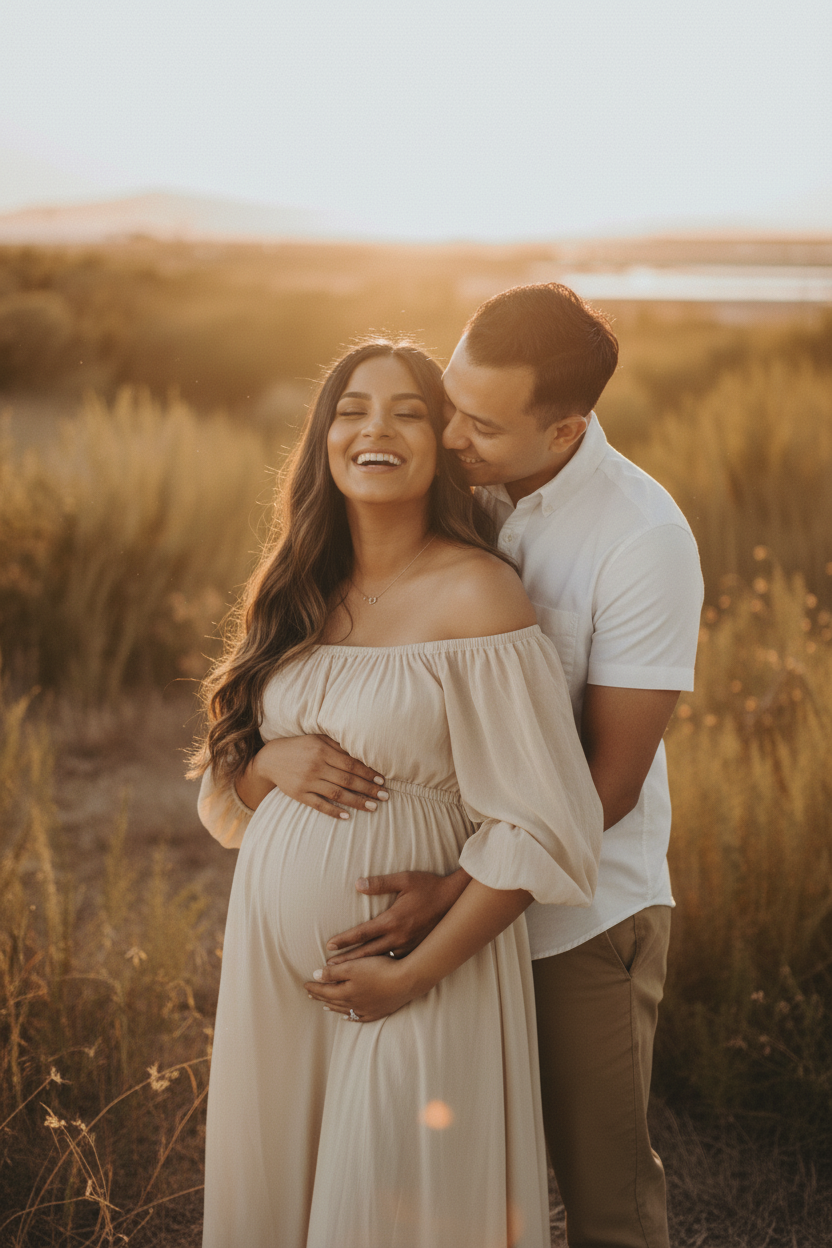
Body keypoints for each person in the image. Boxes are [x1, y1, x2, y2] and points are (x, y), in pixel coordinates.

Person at [290, 287, 705, 1248]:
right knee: (447, 1180)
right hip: (433, 896)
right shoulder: (456, 483)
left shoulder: (641, 539)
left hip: (579, 919)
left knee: (602, 1195)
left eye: (479, 423)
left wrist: (446, 897)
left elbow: (609, 781)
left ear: (565, 429)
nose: (450, 432)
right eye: (450, 401)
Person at [192, 337, 603, 1248]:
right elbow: (229, 773)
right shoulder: (299, 587)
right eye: (352, 410)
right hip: (279, 976)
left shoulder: (479, 596)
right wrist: (265, 767)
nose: (375, 428)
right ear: (323, 440)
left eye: (408, 411)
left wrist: (411, 973)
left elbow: (544, 824)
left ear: (443, 442)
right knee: (284, 1199)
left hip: (417, 976)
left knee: (389, 1210)